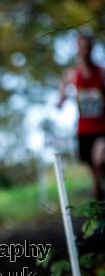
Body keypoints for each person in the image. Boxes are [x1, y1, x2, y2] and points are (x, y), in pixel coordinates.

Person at [58, 31, 105, 200]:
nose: (85, 51)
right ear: (78, 49)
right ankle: (99, 211)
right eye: (82, 47)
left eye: (88, 47)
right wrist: (62, 99)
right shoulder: (72, 75)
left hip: (102, 129)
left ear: (92, 49)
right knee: (95, 174)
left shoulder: (101, 73)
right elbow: (61, 96)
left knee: (99, 160)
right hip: (84, 130)